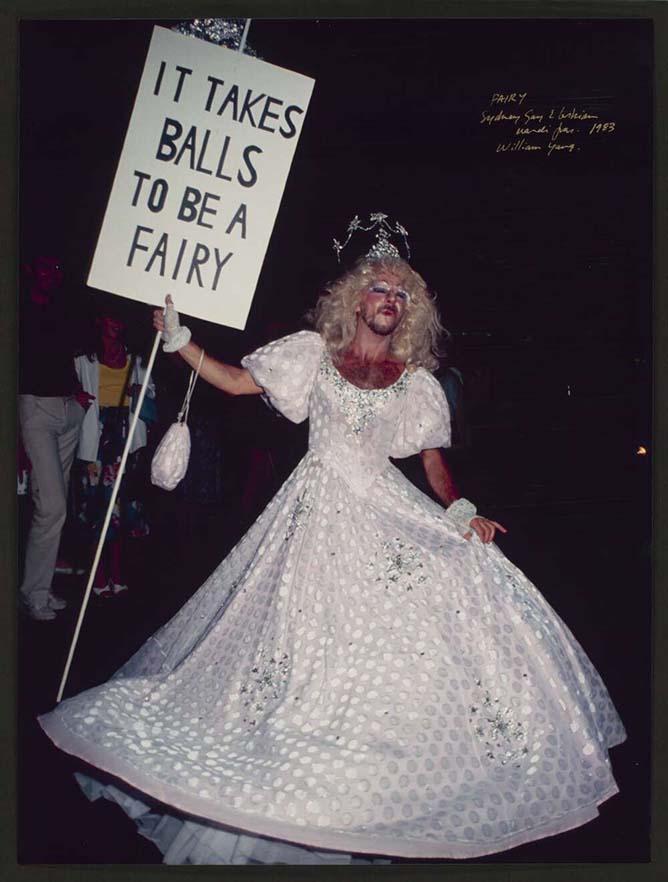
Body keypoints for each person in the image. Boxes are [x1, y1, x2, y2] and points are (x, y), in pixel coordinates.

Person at [38, 222, 625, 863]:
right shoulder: (312, 354)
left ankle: (383, 777)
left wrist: (461, 511)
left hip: (383, 506)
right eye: (380, 289)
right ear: (355, 297)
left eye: (401, 296)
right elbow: (236, 383)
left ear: (411, 311)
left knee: (451, 591)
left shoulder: (415, 380)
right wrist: (180, 341)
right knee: (299, 647)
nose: (390, 301)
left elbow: (431, 463)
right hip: (316, 514)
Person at [18, 254, 91, 621]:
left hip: (67, 410)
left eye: (56, 268)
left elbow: (71, 356)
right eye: (43, 266)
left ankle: (40, 588)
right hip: (35, 410)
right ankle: (34, 594)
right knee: (52, 507)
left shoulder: (63, 309)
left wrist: (79, 393)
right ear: (31, 269)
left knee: (52, 505)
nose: (50, 273)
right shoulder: (19, 308)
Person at [73, 307, 155, 596]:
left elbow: (153, 398)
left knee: (120, 513)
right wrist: (76, 397)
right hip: (96, 442)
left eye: (120, 319)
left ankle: (117, 573)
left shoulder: (137, 361)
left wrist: (140, 393)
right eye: (110, 317)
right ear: (99, 321)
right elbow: (69, 394)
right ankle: (98, 575)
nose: (116, 324)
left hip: (125, 441)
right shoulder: (83, 360)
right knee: (97, 511)